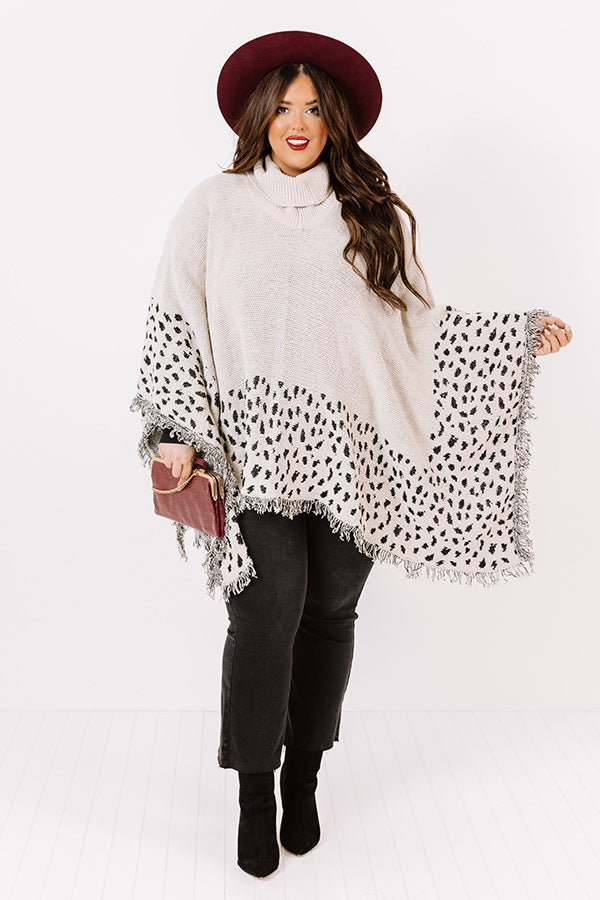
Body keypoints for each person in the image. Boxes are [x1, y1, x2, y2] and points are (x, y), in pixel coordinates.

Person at [131, 30, 573, 879]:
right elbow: (174, 322)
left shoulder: (373, 217)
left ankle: (304, 779)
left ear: (335, 122)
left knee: (330, 613)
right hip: (252, 459)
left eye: (313, 109)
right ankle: (254, 793)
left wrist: (511, 339)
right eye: (283, 108)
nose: (297, 123)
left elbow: (421, 338)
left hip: (352, 463)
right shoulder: (213, 209)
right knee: (267, 614)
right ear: (260, 120)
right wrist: (179, 430)